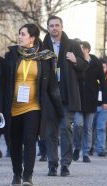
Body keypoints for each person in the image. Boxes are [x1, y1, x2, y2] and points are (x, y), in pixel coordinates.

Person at [0, 23, 63, 186]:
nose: (19, 36)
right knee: (14, 142)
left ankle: (28, 175)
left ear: (32, 38)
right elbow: (3, 83)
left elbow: (52, 87)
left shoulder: (46, 58)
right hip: (13, 107)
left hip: (33, 106)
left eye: (23, 34)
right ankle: (16, 173)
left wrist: (59, 111)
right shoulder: (12, 55)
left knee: (29, 140)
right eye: (19, 34)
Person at [43, 16, 87, 176]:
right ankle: (52, 164)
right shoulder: (43, 46)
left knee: (66, 129)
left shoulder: (73, 45)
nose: (54, 28)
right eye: (51, 26)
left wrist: (76, 61)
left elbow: (84, 67)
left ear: (62, 26)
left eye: (57, 25)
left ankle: (65, 164)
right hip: (49, 96)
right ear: (47, 28)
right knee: (50, 132)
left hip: (66, 95)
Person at [72, 41, 107, 163]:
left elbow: (103, 82)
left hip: (91, 99)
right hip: (78, 99)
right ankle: (77, 148)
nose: (79, 50)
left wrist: (105, 100)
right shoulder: (76, 61)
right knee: (78, 124)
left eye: (81, 48)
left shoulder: (96, 63)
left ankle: (86, 152)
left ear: (87, 49)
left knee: (88, 128)